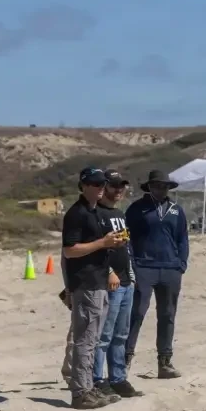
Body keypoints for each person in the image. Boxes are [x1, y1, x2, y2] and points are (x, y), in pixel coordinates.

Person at [61, 166, 128, 409]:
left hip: (99, 281)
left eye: (103, 184)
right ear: (84, 186)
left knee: (94, 338)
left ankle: (88, 387)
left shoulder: (94, 212)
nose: (102, 188)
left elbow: (98, 245)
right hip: (86, 283)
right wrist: (102, 243)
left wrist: (111, 244)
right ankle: (81, 392)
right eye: (97, 184)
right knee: (85, 340)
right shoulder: (77, 213)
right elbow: (69, 250)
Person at [125, 169, 189, 379]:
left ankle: (165, 362)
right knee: (137, 313)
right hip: (144, 268)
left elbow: (182, 238)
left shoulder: (176, 210)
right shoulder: (136, 209)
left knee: (167, 315)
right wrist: (133, 264)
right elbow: (127, 238)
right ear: (150, 187)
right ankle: (124, 361)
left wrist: (181, 263)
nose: (162, 189)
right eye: (157, 185)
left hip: (170, 269)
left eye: (165, 186)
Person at [94, 169, 143, 398]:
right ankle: (97, 379)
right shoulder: (96, 213)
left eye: (121, 186)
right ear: (103, 187)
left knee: (121, 335)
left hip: (126, 282)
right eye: (114, 186)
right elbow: (94, 249)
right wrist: (109, 271)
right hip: (109, 283)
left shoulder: (119, 214)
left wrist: (130, 276)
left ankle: (118, 378)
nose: (118, 190)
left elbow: (125, 247)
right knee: (103, 335)